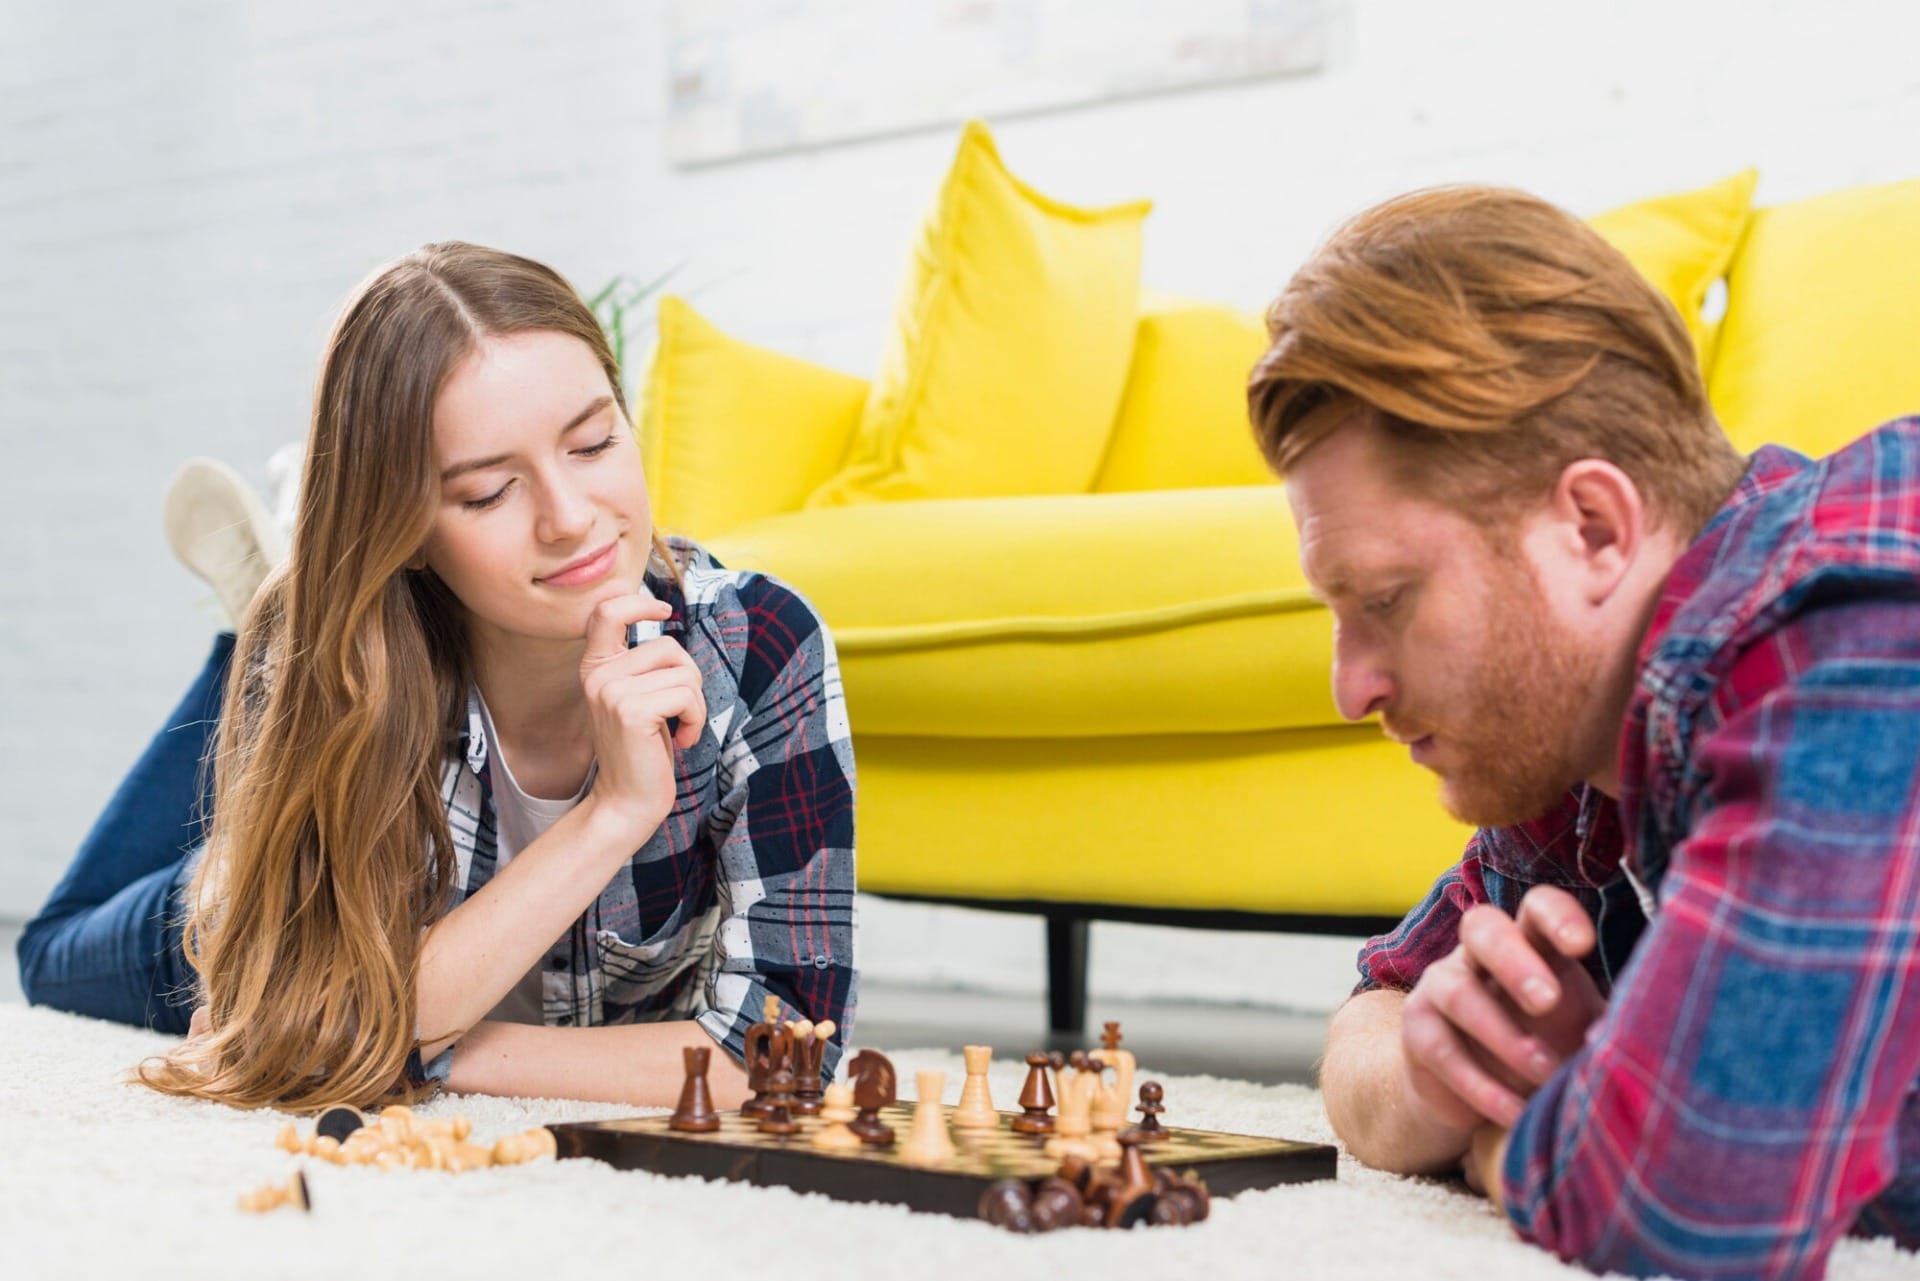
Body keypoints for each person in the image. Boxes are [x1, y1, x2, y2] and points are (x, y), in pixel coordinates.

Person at [1248, 186, 1920, 1278]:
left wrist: (1512, 1137)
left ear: (1594, 528)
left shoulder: (1845, 632)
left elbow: (1683, 1211)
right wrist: (1432, 1075)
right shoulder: (1590, 748)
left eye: (1387, 599)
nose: (1349, 687)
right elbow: (1376, 1009)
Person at [17, 243, 857, 1113]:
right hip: (251, 878)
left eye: (594, 442)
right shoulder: (347, 663)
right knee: (48, 957)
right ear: (406, 526)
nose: (572, 520)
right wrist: (613, 813)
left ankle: (280, 589)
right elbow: (289, 1020)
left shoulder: (756, 648)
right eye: (491, 492)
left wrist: (424, 1051)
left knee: (298, 637)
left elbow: (784, 1052)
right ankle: (262, 623)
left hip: (394, 873)